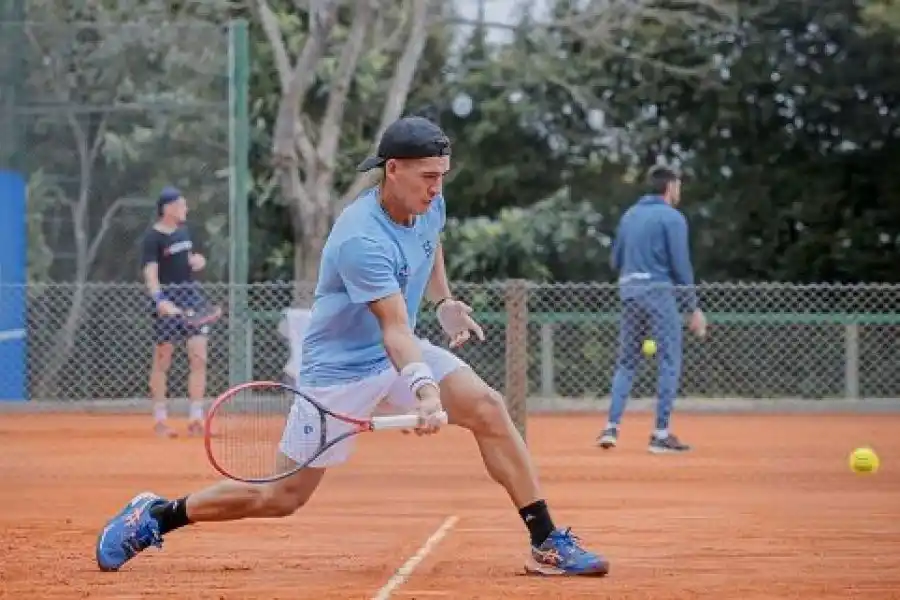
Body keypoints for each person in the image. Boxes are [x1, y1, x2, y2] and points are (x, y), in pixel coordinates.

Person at [96, 117, 608, 577]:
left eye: (442, 175)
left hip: (398, 356)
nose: (438, 187)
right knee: (279, 498)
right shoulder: (360, 238)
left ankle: (546, 541)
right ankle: (157, 515)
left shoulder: (428, 203)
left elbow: (430, 245)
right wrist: (426, 393)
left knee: (489, 408)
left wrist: (444, 300)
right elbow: (393, 330)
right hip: (339, 374)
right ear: (392, 170)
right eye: (428, 176)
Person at [597, 166, 706, 454]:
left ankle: (611, 427)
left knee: (627, 362)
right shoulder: (672, 218)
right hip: (658, 292)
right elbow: (681, 266)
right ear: (670, 187)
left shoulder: (629, 215)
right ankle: (660, 434)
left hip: (629, 293)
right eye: (679, 186)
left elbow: (615, 260)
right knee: (669, 360)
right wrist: (692, 308)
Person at [140, 186, 210, 438]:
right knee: (163, 359)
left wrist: (197, 261)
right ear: (168, 208)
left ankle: (196, 418)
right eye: (182, 205)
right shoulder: (153, 237)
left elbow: (187, 258)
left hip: (190, 296)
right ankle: (160, 421)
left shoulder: (184, 230)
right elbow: (150, 272)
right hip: (167, 299)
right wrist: (160, 299)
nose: (186, 209)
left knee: (199, 356)